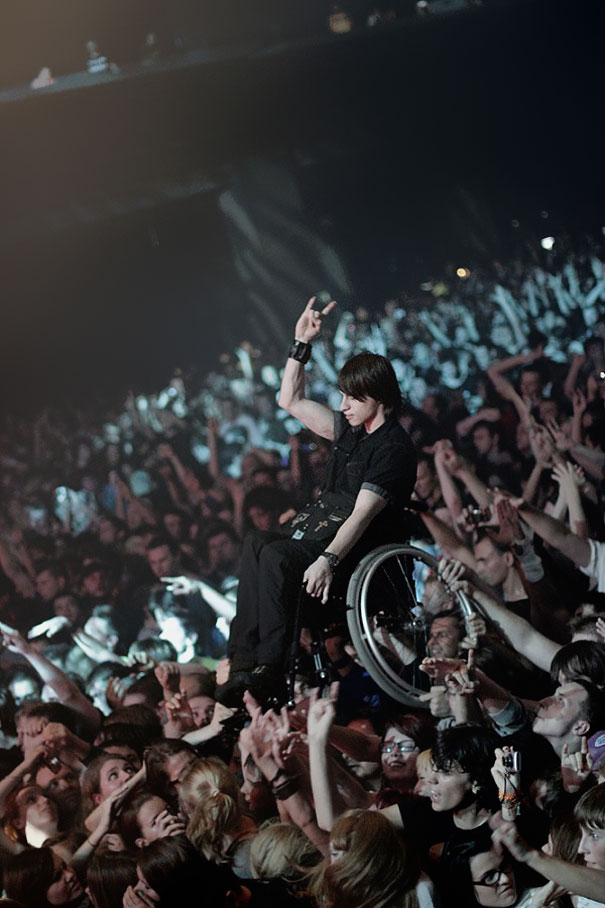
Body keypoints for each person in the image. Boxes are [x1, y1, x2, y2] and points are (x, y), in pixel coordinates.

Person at [218, 297, 416, 704]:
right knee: (256, 542)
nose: (342, 406)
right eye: (342, 396)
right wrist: (300, 344)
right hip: (321, 529)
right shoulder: (349, 432)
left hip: (355, 551)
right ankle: (242, 663)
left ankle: (270, 668)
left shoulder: (393, 448)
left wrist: (328, 561)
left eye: (351, 398)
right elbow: (288, 401)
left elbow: (362, 517)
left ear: (378, 397)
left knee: (275, 558)